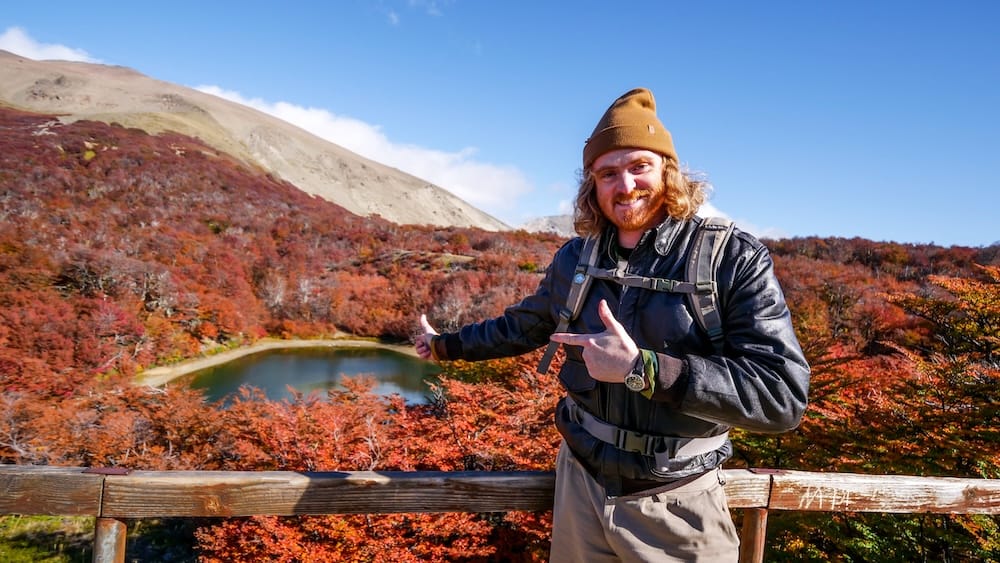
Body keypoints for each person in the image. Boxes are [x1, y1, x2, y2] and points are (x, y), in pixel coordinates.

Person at [415, 87, 810, 562]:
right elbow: (524, 326)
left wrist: (643, 368)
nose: (625, 186)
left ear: (668, 170)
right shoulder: (577, 258)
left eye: (639, 165)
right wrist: (445, 347)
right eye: (607, 173)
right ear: (592, 185)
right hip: (580, 486)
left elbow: (781, 397)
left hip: (678, 502)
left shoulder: (732, 258)